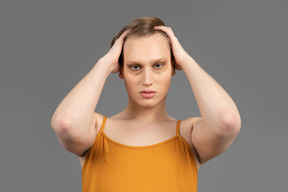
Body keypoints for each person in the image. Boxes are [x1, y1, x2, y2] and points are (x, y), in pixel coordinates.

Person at [51, 17, 241, 191]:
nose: (147, 80)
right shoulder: (95, 131)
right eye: (135, 67)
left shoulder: (188, 136)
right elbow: (65, 124)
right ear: (120, 69)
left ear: (174, 67)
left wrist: (187, 61)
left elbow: (227, 121)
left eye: (158, 65)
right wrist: (105, 62)